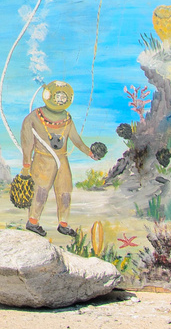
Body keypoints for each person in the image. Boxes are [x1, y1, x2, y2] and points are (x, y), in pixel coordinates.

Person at [17, 81, 105, 239]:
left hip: (62, 160)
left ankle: (63, 224)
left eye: (63, 97)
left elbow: (76, 140)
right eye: (57, 97)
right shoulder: (34, 117)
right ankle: (33, 221)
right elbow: (27, 141)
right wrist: (26, 164)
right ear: (48, 95)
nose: (60, 100)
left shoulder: (67, 119)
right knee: (40, 191)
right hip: (42, 159)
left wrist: (89, 153)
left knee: (65, 192)